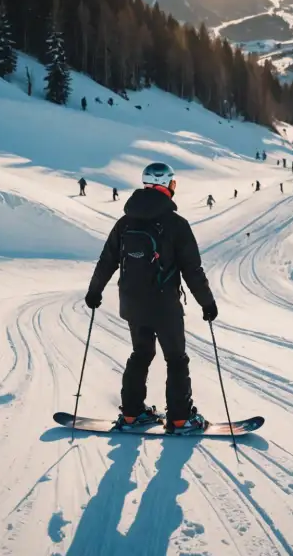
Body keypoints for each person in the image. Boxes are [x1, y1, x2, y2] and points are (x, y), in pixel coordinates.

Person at [85, 162, 217, 432]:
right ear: (169, 185)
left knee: (141, 354)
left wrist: (94, 291)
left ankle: (132, 415)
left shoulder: (124, 223)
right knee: (176, 359)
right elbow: (192, 269)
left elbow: (107, 260)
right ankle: (180, 419)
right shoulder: (176, 224)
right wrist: (207, 302)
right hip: (164, 306)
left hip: (132, 304)